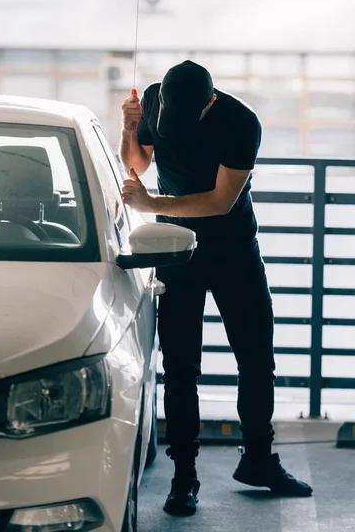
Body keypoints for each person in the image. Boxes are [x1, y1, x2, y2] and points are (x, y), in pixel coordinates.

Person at [119, 60, 313, 517]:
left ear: (210, 101)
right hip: (177, 250)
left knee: (256, 358)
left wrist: (152, 203)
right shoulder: (152, 99)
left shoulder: (240, 122)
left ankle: (259, 462)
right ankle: (183, 477)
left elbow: (221, 200)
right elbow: (136, 162)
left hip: (234, 251)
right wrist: (130, 130)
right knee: (181, 367)